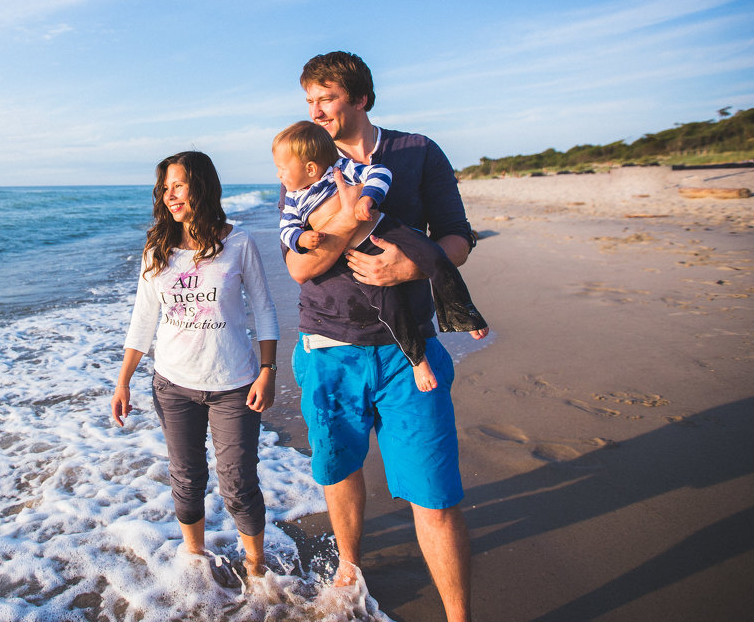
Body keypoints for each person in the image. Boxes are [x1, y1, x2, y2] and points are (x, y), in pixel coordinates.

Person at [280, 52, 483, 622]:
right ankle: (349, 562)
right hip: (328, 348)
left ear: (361, 98)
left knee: (436, 497)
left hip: (407, 351)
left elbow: (457, 236)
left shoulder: (416, 151)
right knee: (340, 470)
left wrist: (415, 267)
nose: (316, 111)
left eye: (327, 99)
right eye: (309, 102)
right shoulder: (303, 158)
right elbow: (299, 267)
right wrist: (349, 222)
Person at [112, 150, 279, 580]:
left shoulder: (238, 242)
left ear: (201, 186)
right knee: (186, 479)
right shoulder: (158, 249)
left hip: (234, 384)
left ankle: (257, 568)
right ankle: (196, 562)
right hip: (173, 385)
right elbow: (142, 321)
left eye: (179, 185)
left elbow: (264, 310)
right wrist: (123, 381)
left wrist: (268, 370)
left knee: (238, 482)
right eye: (165, 188)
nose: (170, 195)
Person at [273, 120, 489, 392]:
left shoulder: (339, 169)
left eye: (281, 169)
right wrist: (302, 238)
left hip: (386, 229)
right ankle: (418, 361)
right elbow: (287, 229)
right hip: (359, 258)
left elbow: (379, 173)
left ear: (310, 168)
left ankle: (464, 314)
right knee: (391, 310)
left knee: (434, 257)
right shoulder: (293, 197)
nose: (278, 175)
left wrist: (368, 199)